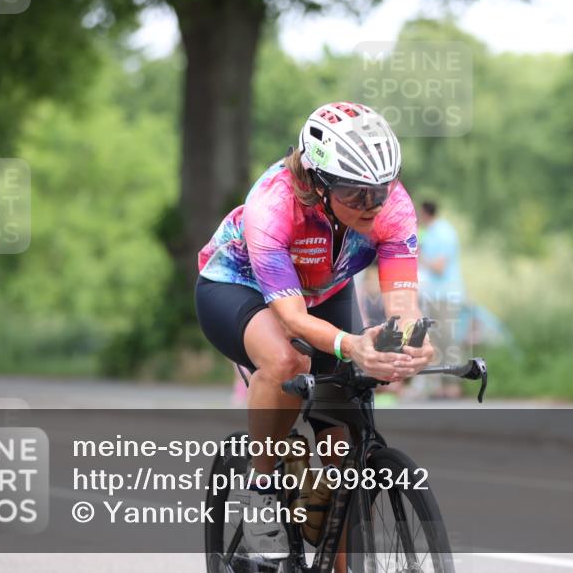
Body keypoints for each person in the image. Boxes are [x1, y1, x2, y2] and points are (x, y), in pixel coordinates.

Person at [195, 101, 436, 560]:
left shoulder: (393, 207)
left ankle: (322, 518)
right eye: (355, 194)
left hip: (325, 292)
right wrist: (352, 345)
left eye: (378, 192)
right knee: (288, 361)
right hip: (236, 288)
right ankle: (261, 493)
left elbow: (403, 307)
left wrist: (412, 343)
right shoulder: (273, 202)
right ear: (320, 183)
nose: (371, 205)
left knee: (343, 462)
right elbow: (290, 318)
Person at [416, 200, 466, 398]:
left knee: (448, 339)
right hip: (432, 294)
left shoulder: (443, 232)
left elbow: (439, 267)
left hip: (446, 294)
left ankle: (454, 385)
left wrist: (419, 256)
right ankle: (438, 385)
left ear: (426, 212)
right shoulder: (428, 232)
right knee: (434, 340)